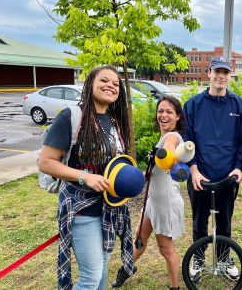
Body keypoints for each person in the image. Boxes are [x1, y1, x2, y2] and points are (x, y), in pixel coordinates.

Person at [39, 65, 135, 290]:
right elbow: (46, 162)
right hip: (81, 210)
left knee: (101, 271)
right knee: (91, 277)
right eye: (104, 80)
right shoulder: (72, 117)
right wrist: (85, 177)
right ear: (91, 82)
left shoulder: (113, 120)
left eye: (115, 83)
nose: (110, 86)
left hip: (109, 209)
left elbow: (112, 163)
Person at [183, 56, 242, 279]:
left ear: (230, 75)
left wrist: (238, 168)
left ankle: (223, 260)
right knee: (199, 222)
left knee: (224, 221)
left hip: (227, 176)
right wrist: (193, 170)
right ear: (209, 73)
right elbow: (187, 140)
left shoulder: (240, 106)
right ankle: (199, 259)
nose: (221, 76)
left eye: (226, 72)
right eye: (217, 71)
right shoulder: (193, 105)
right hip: (199, 176)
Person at [112, 96, 186, 290]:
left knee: (166, 249)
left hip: (166, 202)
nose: (163, 115)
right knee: (139, 239)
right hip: (153, 201)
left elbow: (169, 150)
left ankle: (175, 287)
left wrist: (166, 156)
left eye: (169, 112)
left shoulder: (173, 137)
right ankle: (127, 269)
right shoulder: (161, 137)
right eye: (160, 111)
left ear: (178, 116)